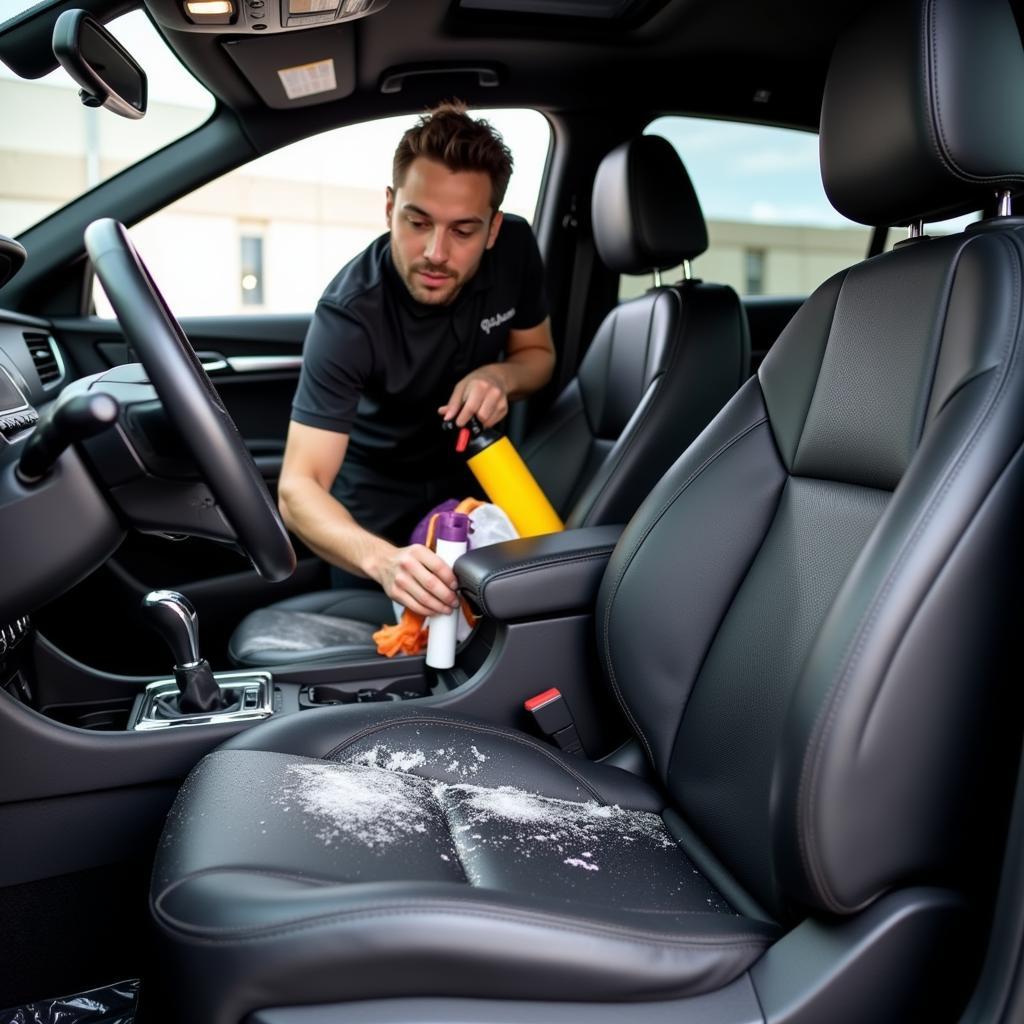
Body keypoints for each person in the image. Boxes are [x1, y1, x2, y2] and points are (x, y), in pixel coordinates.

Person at [279, 102, 555, 622]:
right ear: (389, 207)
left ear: (493, 229)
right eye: (417, 221)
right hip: (375, 506)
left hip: (475, 490)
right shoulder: (349, 315)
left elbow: (538, 357)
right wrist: (384, 562)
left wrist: (500, 376)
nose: (435, 251)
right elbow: (298, 487)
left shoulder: (516, 247)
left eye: (463, 231)